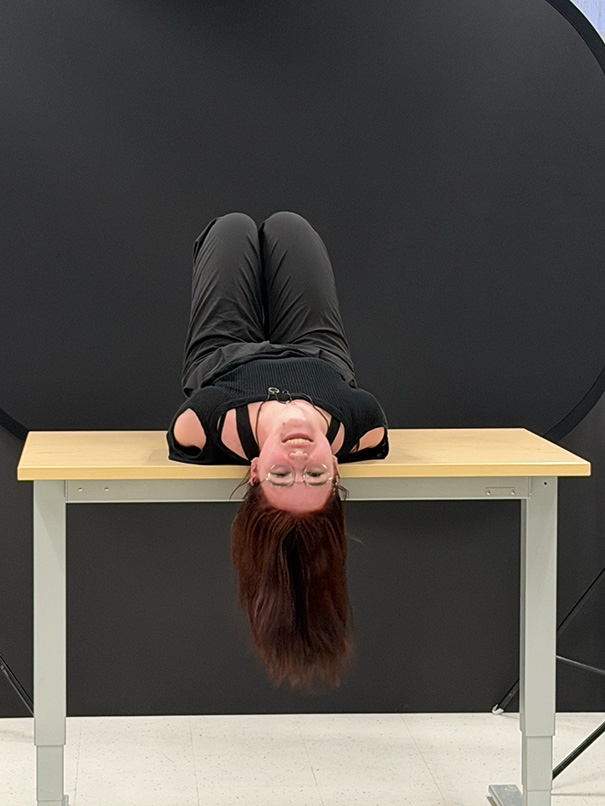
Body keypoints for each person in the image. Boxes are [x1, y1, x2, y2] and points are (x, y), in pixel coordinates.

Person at [166, 211, 389, 692]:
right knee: (290, 227)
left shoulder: (204, 424)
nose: (299, 460)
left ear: (253, 471)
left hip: (225, 352)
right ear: (335, 470)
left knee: (232, 228)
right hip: (317, 351)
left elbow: (182, 436)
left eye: (281, 477)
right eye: (314, 477)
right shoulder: (361, 423)